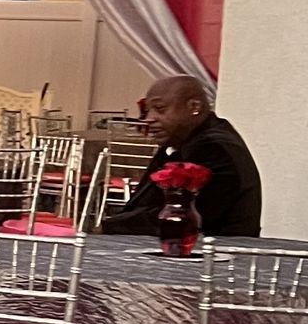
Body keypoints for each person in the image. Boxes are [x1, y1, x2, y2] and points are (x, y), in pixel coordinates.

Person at [98, 76, 263, 238]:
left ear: (194, 107)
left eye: (160, 109)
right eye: (148, 110)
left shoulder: (215, 148)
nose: (149, 119)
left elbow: (185, 216)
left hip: (216, 257)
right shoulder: (180, 140)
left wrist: (108, 227)